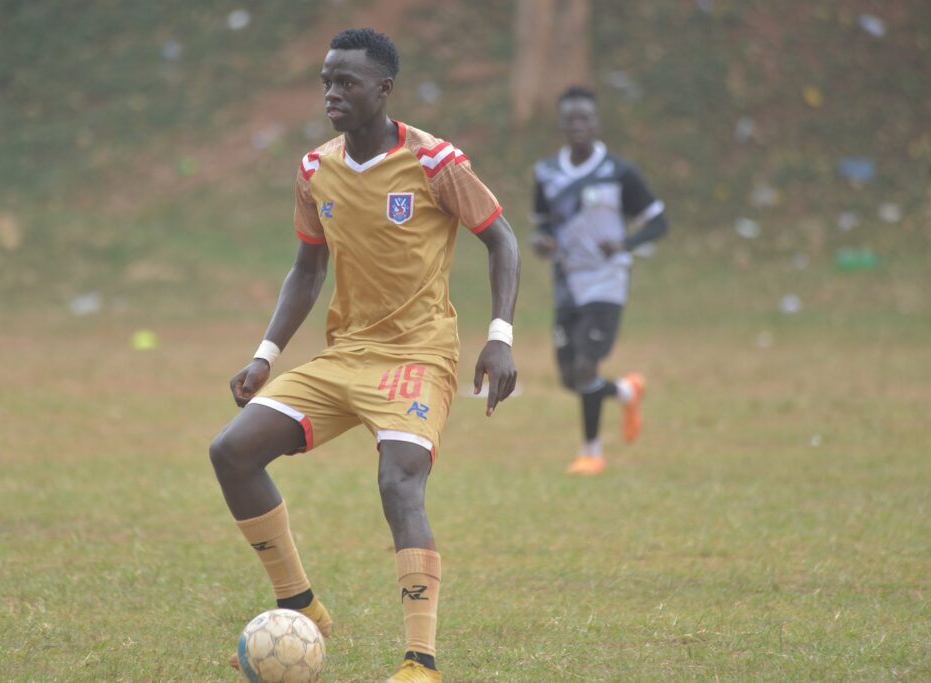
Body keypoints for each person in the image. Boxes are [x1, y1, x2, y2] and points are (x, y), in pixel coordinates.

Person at [209, 28, 519, 683]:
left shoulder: (435, 162)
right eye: (326, 81)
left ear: (384, 89)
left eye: (346, 82)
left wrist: (500, 336)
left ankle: (420, 661)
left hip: (417, 357)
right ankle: (301, 605)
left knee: (398, 481)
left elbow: (502, 240)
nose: (332, 93)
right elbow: (306, 269)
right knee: (231, 451)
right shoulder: (315, 170)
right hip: (346, 356)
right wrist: (265, 354)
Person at [530, 86, 668, 476]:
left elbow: (658, 222)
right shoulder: (547, 173)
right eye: (570, 119)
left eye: (584, 118)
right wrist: (542, 243)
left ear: (597, 124)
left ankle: (591, 452)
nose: (577, 125)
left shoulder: (619, 172)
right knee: (569, 377)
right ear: (560, 125)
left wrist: (625, 244)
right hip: (567, 283)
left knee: (586, 367)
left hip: (606, 282)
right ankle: (626, 391)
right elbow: (542, 225)